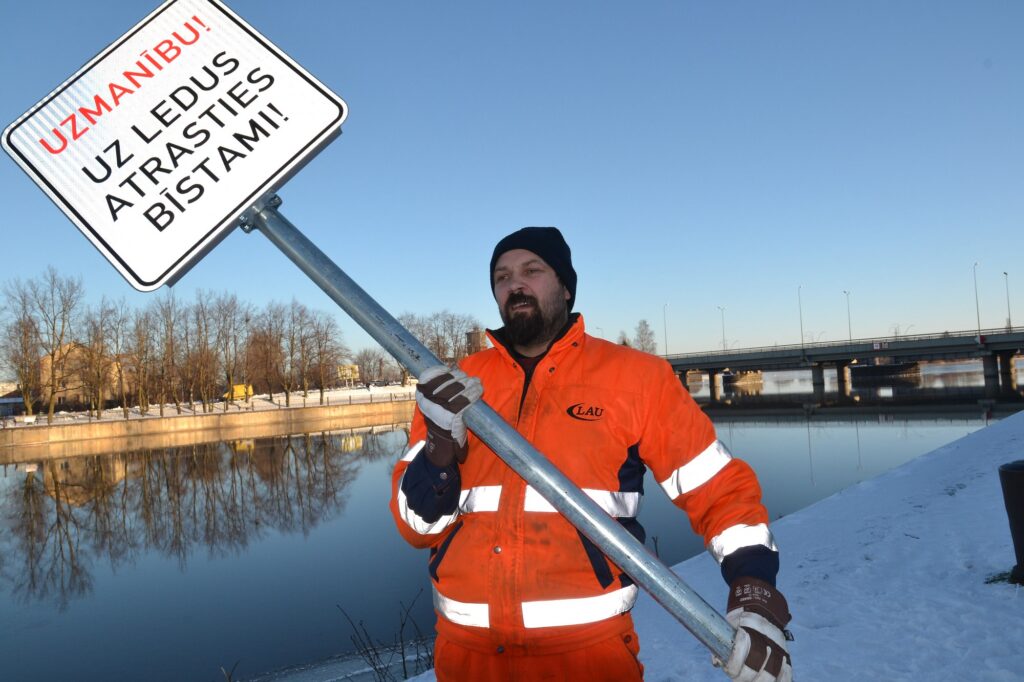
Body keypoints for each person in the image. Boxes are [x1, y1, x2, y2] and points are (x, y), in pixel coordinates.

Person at [390, 227, 791, 681]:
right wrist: (440, 451)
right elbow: (415, 526)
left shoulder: (637, 379)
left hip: (588, 659)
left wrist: (754, 590)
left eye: (531, 271)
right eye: (502, 277)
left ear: (564, 285)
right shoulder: (454, 386)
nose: (514, 285)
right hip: (465, 659)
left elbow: (719, 491)